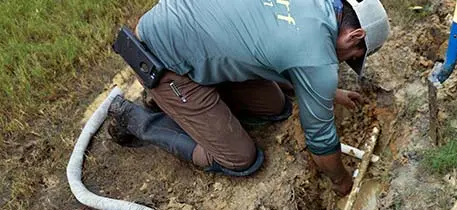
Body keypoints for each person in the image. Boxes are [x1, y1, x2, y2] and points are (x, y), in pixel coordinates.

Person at [107, 0, 390, 195]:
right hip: (161, 58)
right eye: (352, 57)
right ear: (355, 35)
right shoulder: (317, 59)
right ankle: (138, 117)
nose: (343, 63)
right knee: (241, 158)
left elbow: (281, 48)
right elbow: (321, 142)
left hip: (178, 25)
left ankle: (192, 103)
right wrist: (341, 181)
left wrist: (330, 92)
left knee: (276, 105)